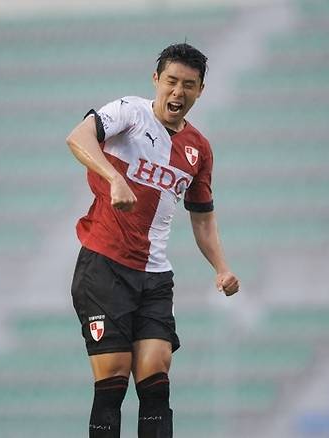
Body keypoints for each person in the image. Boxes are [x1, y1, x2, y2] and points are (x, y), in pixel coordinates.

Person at [66, 43, 240, 438]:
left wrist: (222, 268)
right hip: (103, 265)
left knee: (156, 372)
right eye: (172, 82)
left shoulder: (199, 150)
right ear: (156, 80)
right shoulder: (128, 112)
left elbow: (203, 220)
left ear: (200, 91)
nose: (178, 92)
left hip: (155, 275)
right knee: (113, 377)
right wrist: (115, 179)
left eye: (189, 85)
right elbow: (77, 138)